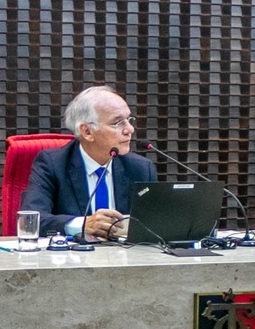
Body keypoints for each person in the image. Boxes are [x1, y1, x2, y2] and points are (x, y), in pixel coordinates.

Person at [20, 86, 157, 242]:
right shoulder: (53, 164)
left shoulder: (140, 168)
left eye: (129, 120)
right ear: (87, 132)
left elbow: (155, 224)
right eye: (117, 123)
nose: (130, 129)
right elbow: (30, 221)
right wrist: (83, 225)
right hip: (71, 255)